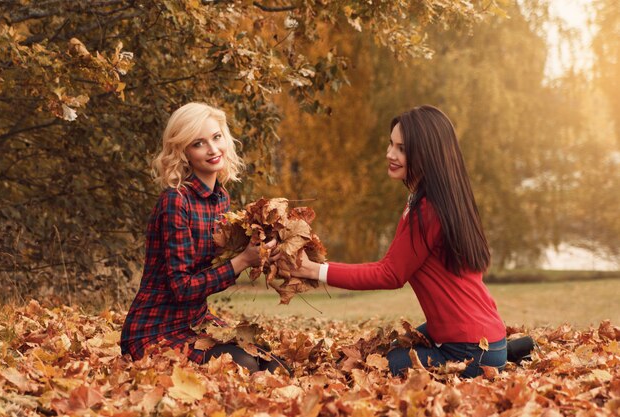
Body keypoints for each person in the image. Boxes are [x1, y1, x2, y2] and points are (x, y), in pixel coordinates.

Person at [292, 105, 507, 378]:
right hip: (487, 336)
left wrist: (314, 270)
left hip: (469, 351)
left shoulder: (429, 210)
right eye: (391, 144)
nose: (390, 154)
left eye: (402, 148)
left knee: (373, 366)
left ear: (427, 153)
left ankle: (497, 360)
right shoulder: (447, 200)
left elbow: (390, 274)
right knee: (391, 348)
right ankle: (503, 354)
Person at [121, 102, 286, 374]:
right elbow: (183, 288)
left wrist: (261, 250)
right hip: (155, 329)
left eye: (216, 137)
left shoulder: (221, 199)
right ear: (183, 152)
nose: (212, 149)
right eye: (198, 143)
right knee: (242, 367)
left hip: (196, 322)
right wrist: (243, 261)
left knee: (274, 366)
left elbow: (214, 270)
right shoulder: (176, 201)